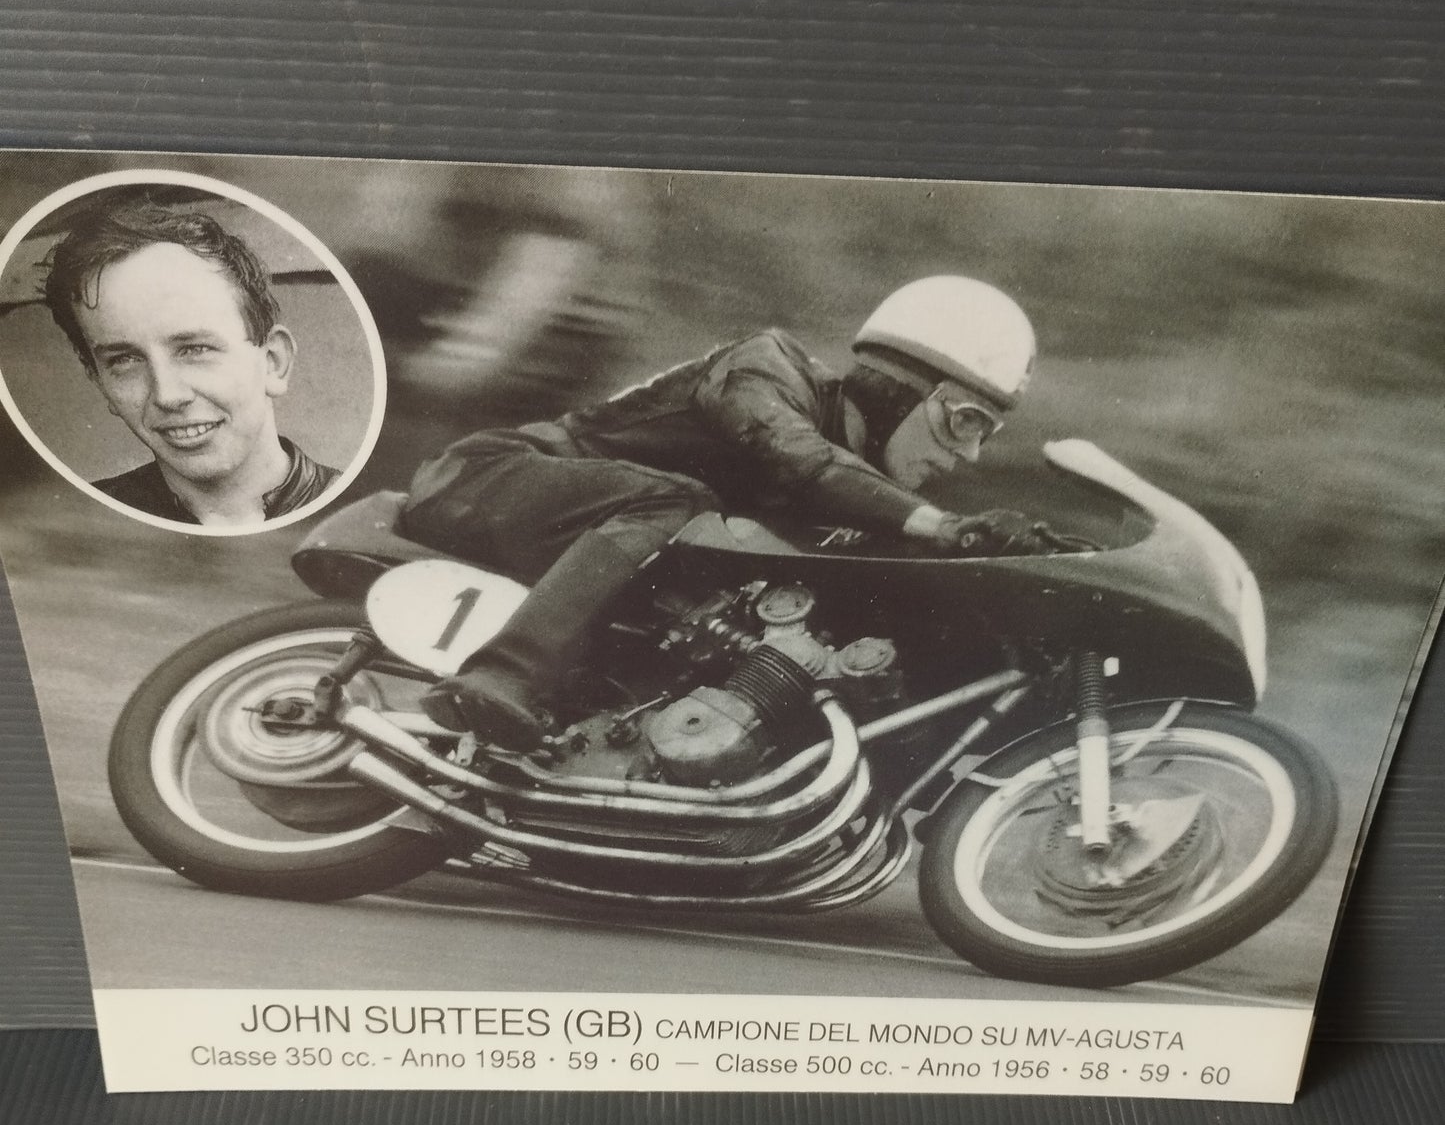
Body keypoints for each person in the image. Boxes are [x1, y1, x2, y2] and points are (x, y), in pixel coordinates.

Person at [403, 274, 1045, 750]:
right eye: (966, 421)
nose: (968, 455)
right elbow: (801, 458)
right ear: (903, 385)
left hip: (587, 546)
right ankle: (501, 676)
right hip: (489, 477)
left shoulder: (855, 487)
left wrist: (1017, 549)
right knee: (681, 502)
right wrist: (939, 523)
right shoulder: (767, 367)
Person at [42, 193, 338, 527]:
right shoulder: (72, 527)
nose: (167, 395)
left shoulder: (365, 515)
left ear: (273, 361)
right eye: (125, 359)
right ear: (99, 380)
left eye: (194, 349)